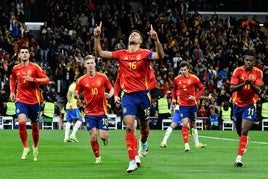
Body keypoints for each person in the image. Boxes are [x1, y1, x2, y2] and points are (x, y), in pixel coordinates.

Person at [94, 22, 164, 173]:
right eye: (132, 33)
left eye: (136, 34)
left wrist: (156, 40)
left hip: (143, 95)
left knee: (144, 128)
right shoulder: (122, 54)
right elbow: (99, 53)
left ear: (140, 41)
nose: (133, 34)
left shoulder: (145, 53)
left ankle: (143, 142)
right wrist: (97, 37)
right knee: (130, 126)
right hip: (129, 96)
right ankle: (132, 160)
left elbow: (160, 56)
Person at [9, 46, 50, 161]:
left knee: (35, 126)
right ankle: (25, 147)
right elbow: (12, 78)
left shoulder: (35, 67)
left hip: (34, 101)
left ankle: (35, 147)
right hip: (21, 100)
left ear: (29, 54)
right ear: (19, 55)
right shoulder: (16, 68)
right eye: (22, 52)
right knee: (21, 122)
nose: (24, 54)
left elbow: (46, 79)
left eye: (26, 52)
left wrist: (34, 80)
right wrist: (12, 91)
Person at [74, 55, 114, 164]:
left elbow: (111, 89)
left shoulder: (103, 77)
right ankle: (98, 157)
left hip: (102, 112)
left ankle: (105, 139)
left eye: (92, 63)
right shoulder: (81, 80)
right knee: (93, 134)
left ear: (95, 64)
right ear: (85, 65)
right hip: (89, 113)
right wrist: (76, 95)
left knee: (103, 136)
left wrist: (110, 95)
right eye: (88, 63)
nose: (90, 65)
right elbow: (77, 93)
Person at [161, 61, 206, 152]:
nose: (183, 71)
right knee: (185, 123)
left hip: (193, 105)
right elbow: (174, 90)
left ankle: (197, 143)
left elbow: (202, 89)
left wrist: (195, 97)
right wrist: (173, 98)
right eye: (181, 70)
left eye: (184, 69)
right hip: (182, 105)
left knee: (193, 124)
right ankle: (186, 145)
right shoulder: (177, 79)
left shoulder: (194, 78)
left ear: (188, 69)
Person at [230, 50, 263, 167]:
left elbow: (259, 90)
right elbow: (231, 89)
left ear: (254, 62)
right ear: (244, 60)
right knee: (239, 131)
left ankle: (239, 159)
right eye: (246, 60)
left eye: (250, 60)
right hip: (237, 104)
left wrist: (251, 84)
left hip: (249, 104)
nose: (248, 62)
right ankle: (245, 140)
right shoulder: (238, 71)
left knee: (244, 130)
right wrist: (244, 84)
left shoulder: (258, 73)